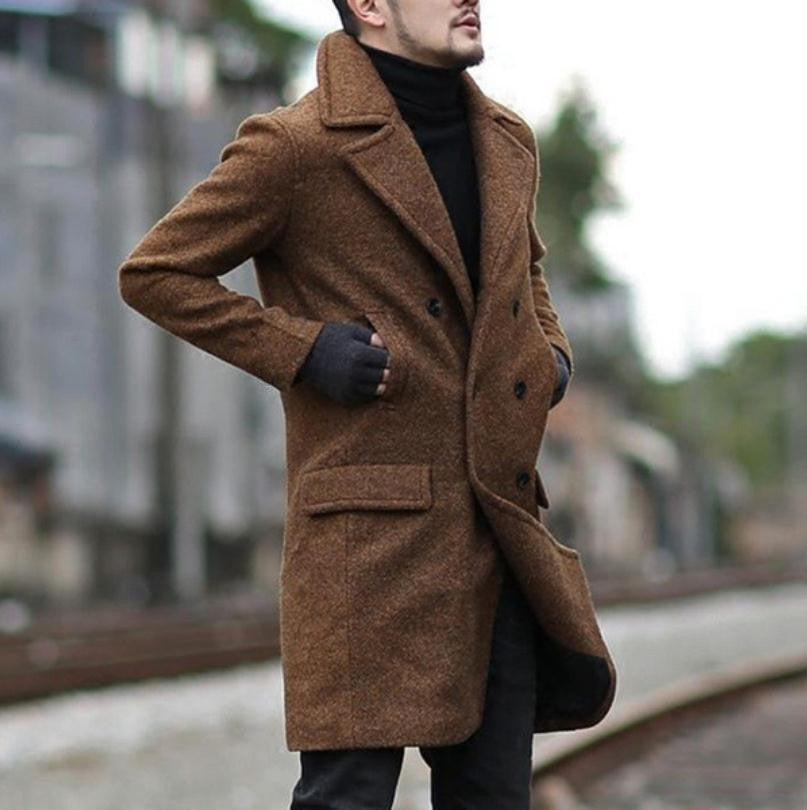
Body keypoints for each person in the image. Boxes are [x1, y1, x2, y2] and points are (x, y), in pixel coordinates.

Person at [118, 0, 617, 807]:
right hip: (365, 546)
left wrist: (548, 357)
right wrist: (305, 350)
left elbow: (524, 271)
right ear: (370, 6)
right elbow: (156, 273)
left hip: (496, 530)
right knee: (346, 796)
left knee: (494, 797)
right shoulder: (295, 145)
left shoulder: (506, 141)